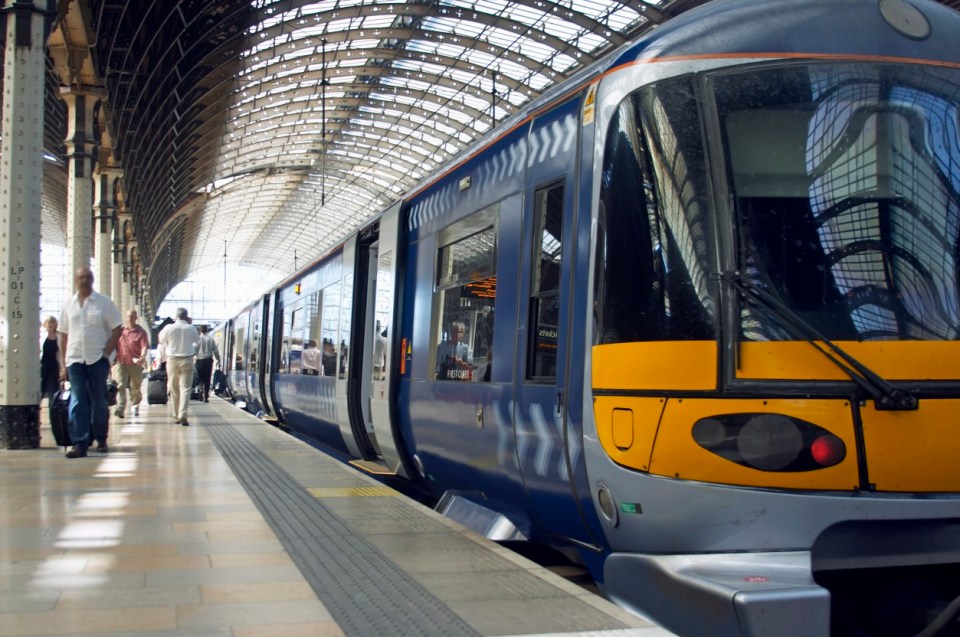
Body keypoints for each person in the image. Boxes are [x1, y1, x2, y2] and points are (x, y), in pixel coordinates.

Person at [57, 267, 123, 458]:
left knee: (99, 401)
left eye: (87, 277)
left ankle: (101, 438)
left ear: (92, 280)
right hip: (75, 359)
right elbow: (63, 334)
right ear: (76, 280)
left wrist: (106, 353)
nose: (84, 280)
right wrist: (63, 364)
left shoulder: (104, 303)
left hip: (97, 359)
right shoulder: (68, 305)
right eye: (80, 277)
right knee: (77, 401)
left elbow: (117, 329)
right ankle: (80, 443)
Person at [159, 308, 199, 426]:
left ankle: (176, 415)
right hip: (187, 359)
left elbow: (161, 340)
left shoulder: (169, 328)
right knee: (186, 389)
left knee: (174, 388)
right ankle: (183, 414)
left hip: (172, 360)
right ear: (186, 317)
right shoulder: (191, 328)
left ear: (175, 317)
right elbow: (197, 341)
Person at [114, 309, 150, 418]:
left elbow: (144, 346)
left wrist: (142, 357)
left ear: (136, 318)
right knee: (120, 385)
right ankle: (120, 408)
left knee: (135, 387)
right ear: (126, 317)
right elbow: (115, 345)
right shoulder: (121, 331)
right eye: (128, 316)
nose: (129, 318)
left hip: (135, 364)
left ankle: (135, 406)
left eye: (132, 316)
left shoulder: (141, 332)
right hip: (122, 362)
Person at [194, 325, 221, 402]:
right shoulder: (211, 339)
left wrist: (194, 357)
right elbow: (216, 351)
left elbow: (194, 350)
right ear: (207, 330)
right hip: (208, 361)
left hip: (199, 360)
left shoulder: (197, 339)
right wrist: (218, 360)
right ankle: (206, 397)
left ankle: (200, 390)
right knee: (207, 379)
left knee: (199, 378)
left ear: (199, 330)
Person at [40, 316, 61, 407]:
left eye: (53, 322)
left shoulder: (59, 336)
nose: (51, 324)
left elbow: (60, 352)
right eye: (49, 322)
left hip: (54, 367)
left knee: (53, 393)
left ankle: (54, 417)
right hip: (42, 366)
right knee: (40, 391)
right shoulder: (41, 335)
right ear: (45, 324)